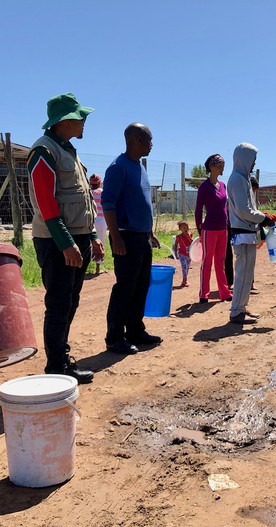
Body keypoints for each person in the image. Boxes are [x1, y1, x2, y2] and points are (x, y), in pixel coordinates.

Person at [27, 93, 103, 384]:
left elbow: (81, 199)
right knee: (58, 303)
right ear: (66, 121)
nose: (85, 122)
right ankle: (56, 366)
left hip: (78, 237)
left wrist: (93, 235)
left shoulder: (68, 149)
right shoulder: (44, 151)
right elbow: (46, 203)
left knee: (70, 301)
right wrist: (66, 243)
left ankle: (61, 358)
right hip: (57, 240)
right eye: (80, 117)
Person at [102, 123, 162, 355]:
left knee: (141, 286)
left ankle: (135, 330)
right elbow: (108, 204)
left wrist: (149, 232)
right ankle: (114, 337)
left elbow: (141, 205)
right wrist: (116, 237)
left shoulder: (139, 167)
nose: (152, 144)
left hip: (141, 237)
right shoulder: (118, 167)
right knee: (125, 288)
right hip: (126, 236)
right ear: (138, 139)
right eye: (149, 140)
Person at [226, 143, 275, 325]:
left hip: (247, 231)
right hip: (242, 232)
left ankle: (241, 307)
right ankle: (236, 311)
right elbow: (244, 210)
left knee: (247, 272)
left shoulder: (243, 179)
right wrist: (264, 218)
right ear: (245, 158)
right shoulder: (238, 179)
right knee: (243, 273)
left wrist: (262, 218)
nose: (254, 163)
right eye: (253, 159)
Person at [194, 154, 232, 303]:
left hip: (223, 228)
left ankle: (225, 292)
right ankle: (204, 294)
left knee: (220, 262)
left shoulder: (223, 185)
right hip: (208, 229)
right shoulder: (204, 187)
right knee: (207, 262)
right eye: (219, 165)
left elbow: (225, 206)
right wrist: (199, 229)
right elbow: (198, 210)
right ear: (211, 166)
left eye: (223, 165)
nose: (222, 168)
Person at [90, 174, 106, 275]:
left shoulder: (88, 193)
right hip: (101, 220)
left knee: (88, 243)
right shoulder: (103, 193)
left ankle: (82, 267)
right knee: (101, 242)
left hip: (90, 220)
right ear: (100, 183)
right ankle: (97, 268)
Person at [173, 220, 193, 287]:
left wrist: (187, 236)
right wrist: (175, 253)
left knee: (187, 267)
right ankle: (185, 280)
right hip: (181, 254)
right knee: (184, 267)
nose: (185, 228)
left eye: (186, 227)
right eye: (183, 227)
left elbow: (192, 242)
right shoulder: (178, 237)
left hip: (189, 254)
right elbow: (175, 245)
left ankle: (185, 280)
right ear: (180, 229)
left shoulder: (190, 234)